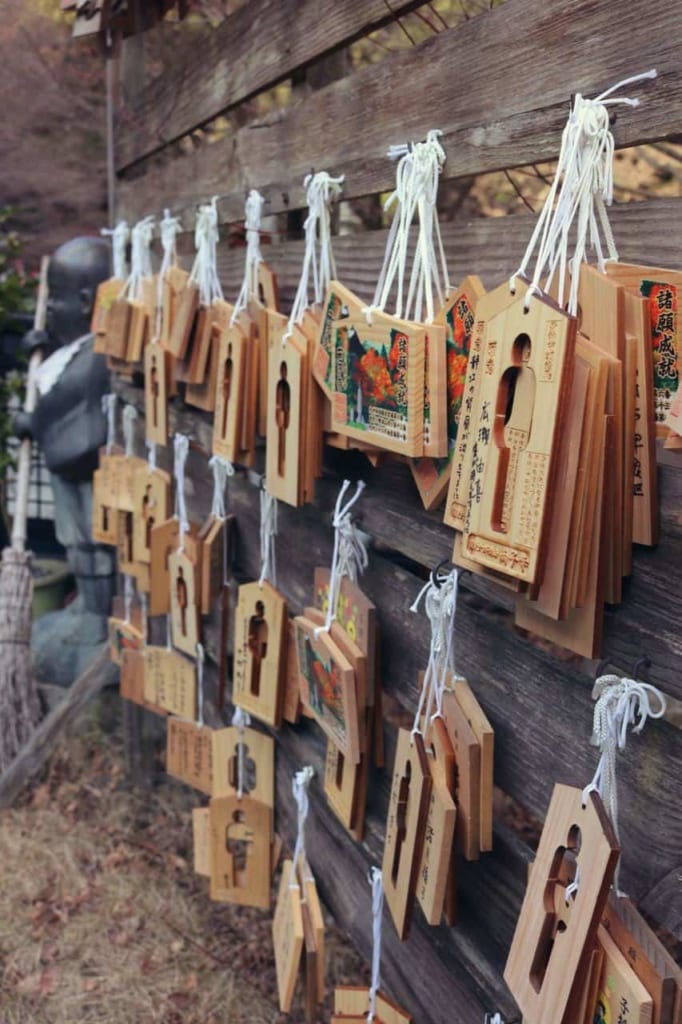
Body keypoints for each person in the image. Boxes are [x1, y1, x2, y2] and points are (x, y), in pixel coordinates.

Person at [14, 236, 115, 685]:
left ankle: (98, 622)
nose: (48, 306)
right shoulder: (82, 349)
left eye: (55, 298)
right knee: (77, 547)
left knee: (93, 549)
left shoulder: (99, 358)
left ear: (86, 300)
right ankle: (89, 614)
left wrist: (34, 423)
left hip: (90, 484)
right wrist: (45, 340)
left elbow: (79, 423)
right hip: (73, 486)